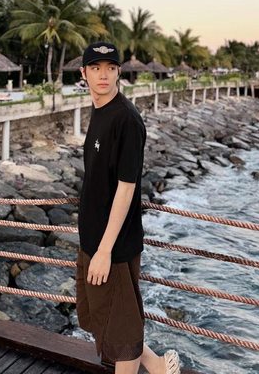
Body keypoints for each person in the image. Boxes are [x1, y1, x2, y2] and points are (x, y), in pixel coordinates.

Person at [76, 41, 181, 374]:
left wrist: (105, 250)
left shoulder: (127, 119)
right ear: (84, 73)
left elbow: (126, 187)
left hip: (115, 246)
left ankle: (155, 365)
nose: (103, 75)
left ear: (119, 72)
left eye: (110, 68)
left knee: (123, 335)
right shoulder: (100, 110)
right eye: (96, 68)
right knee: (102, 318)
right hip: (93, 239)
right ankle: (158, 366)